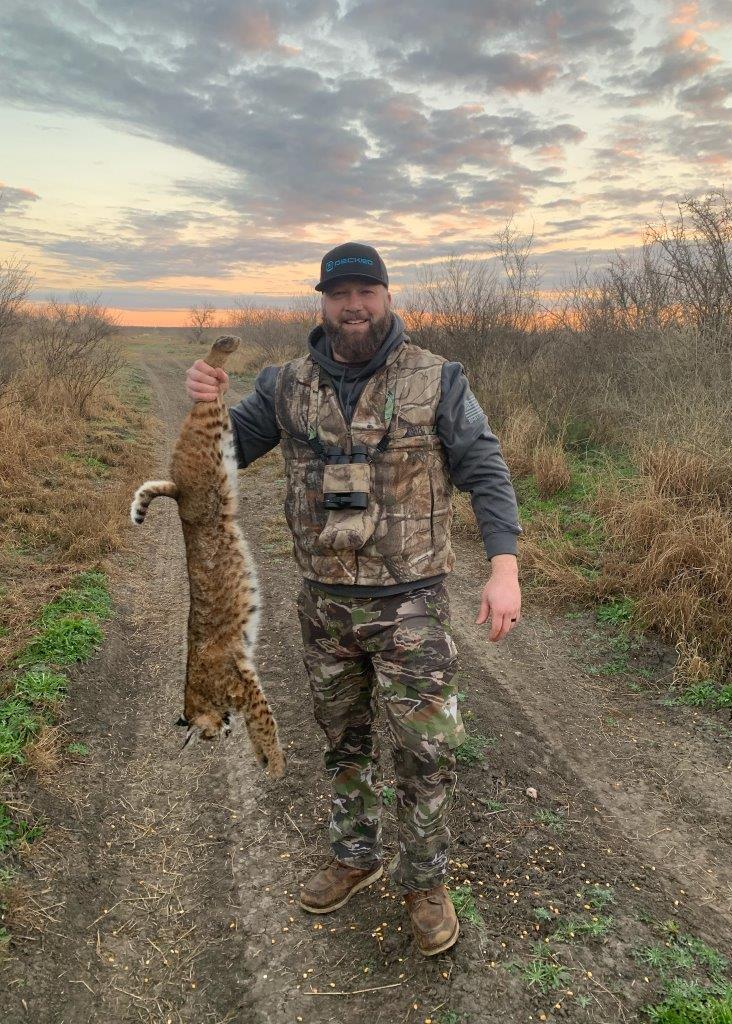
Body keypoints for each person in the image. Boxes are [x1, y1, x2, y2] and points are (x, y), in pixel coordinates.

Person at [185, 242, 522, 956]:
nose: (355, 305)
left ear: (387, 295)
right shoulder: (286, 384)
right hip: (325, 605)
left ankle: (426, 882)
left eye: (367, 291)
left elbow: (485, 469)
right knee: (345, 742)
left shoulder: (437, 379)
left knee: (427, 750)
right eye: (341, 294)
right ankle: (356, 856)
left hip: (412, 605)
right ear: (323, 302)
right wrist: (207, 411)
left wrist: (504, 567)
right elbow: (226, 457)